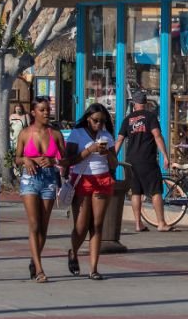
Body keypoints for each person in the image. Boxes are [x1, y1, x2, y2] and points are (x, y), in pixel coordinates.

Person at [15, 96, 67, 283]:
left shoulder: (56, 134)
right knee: (34, 224)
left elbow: (66, 160)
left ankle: (34, 259)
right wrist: (26, 160)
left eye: (48, 109)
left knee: (44, 226)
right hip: (30, 180)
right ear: (33, 112)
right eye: (42, 110)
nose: (47, 113)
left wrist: (54, 160)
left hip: (49, 179)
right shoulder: (25, 133)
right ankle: (39, 268)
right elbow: (17, 158)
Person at [65, 103, 118, 280]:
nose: (98, 125)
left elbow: (114, 163)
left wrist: (106, 154)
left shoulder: (106, 136)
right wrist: (89, 150)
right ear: (88, 118)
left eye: (102, 121)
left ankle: (93, 268)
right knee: (81, 226)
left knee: (97, 224)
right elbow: (68, 160)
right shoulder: (77, 134)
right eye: (95, 120)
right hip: (82, 179)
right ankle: (73, 251)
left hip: (102, 179)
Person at [115, 89, 174, 232]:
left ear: (134, 103)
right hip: (147, 160)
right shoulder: (150, 117)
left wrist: (112, 157)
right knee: (155, 191)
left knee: (136, 192)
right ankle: (161, 223)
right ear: (146, 103)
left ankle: (137, 223)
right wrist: (165, 155)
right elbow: (157, 136)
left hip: (131, 161)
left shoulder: (127, 120)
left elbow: (120, 140)